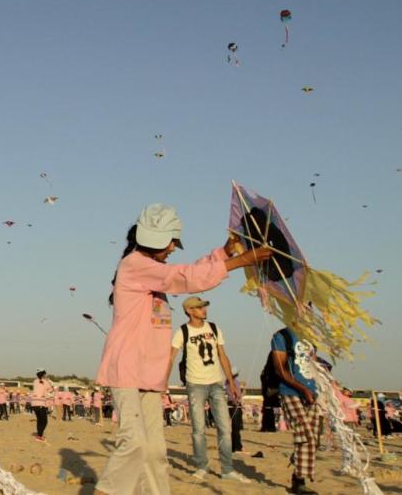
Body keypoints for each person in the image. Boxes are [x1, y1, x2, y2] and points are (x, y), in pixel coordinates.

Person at [93, 203, 271, 495]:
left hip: (149, 374)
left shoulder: (154, 269)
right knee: (134, 443)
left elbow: (185, 272)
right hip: (127, 368)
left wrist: (223, 253)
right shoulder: (134, 265)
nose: (174, 247)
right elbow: (183, 277)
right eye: (172, 241)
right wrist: (239, 262)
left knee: (154, 450)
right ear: (156, 239)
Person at [167, 296, 247, 482]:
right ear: (189, 311)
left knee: (225, 428)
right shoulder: (182, 332)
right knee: (198, 429)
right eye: (199, 307)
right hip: (195, 385)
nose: (204, 310)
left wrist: (231, 383)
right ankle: (202, 466)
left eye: (204, 307)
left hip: (217, 384)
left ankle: (227, 469)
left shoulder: (213, 328)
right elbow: (170, 358)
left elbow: (223, 356)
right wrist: (163, 382)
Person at [270, 326, 320, 494]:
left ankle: (297, 471)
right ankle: (299, 481)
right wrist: (302, 389)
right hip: (290, 392)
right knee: (306, 437)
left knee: (312, 439)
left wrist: (316, 389)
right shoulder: (282, 336)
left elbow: (313, 365)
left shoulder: (311, 336)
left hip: (312, 392)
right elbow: (281, 369)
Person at [30, 369, 55, 441]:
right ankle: (39, 436)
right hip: (41, 403)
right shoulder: (45, 382)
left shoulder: (35, 381)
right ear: (43, 374)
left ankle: (39, 435)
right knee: (44, 421)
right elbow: (51, 390)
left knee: (39, 420)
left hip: (34, 403)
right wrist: (49, 381)